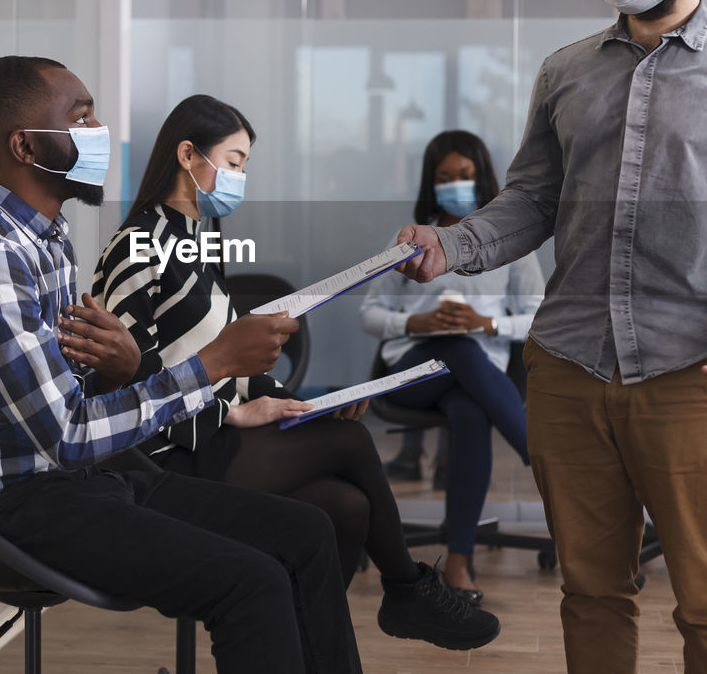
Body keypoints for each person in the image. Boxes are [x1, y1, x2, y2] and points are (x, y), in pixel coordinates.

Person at [395, 0, 707, 674]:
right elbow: (530, 200)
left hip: (694, 370)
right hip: (569, 366)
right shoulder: (567, 71)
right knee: (589, 590)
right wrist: (456, 245)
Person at [0, 55, 364, 674]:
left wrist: (120, 370)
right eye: (82, 116)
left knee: (306, 534)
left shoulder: (49, 242)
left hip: (83, 476)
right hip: (16, 503)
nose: (100, 130)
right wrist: (211, 365)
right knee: (249, 581)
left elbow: (59, 394)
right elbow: (65, 433)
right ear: (25, 144)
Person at [89, 94, 501, 652]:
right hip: (171, 452)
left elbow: (225, 355)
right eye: (233, 163)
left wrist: (291, 402)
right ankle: (406, 589)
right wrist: (229, 413)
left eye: (244, 167)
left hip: (214, 431)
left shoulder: (198, 238)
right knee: (352, 442)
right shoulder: (140, 245)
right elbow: (129, 381)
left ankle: (369, 614)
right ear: (188, 155)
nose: (240, 177)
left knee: (346, 506)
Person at [360, 130, 544, 605]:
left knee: (470, 407)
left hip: (476, 379)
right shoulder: (410, 239)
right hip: (412, 373)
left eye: (464, 175)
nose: (456, 185)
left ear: (482, 178)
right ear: (431, 183)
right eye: (445, 178)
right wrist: (417, 322)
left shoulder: (510, 244)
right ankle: (544, 460)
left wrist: (486, 323)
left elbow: (538, 316)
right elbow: (370, 315)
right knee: (457, 349)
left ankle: (457, 562)